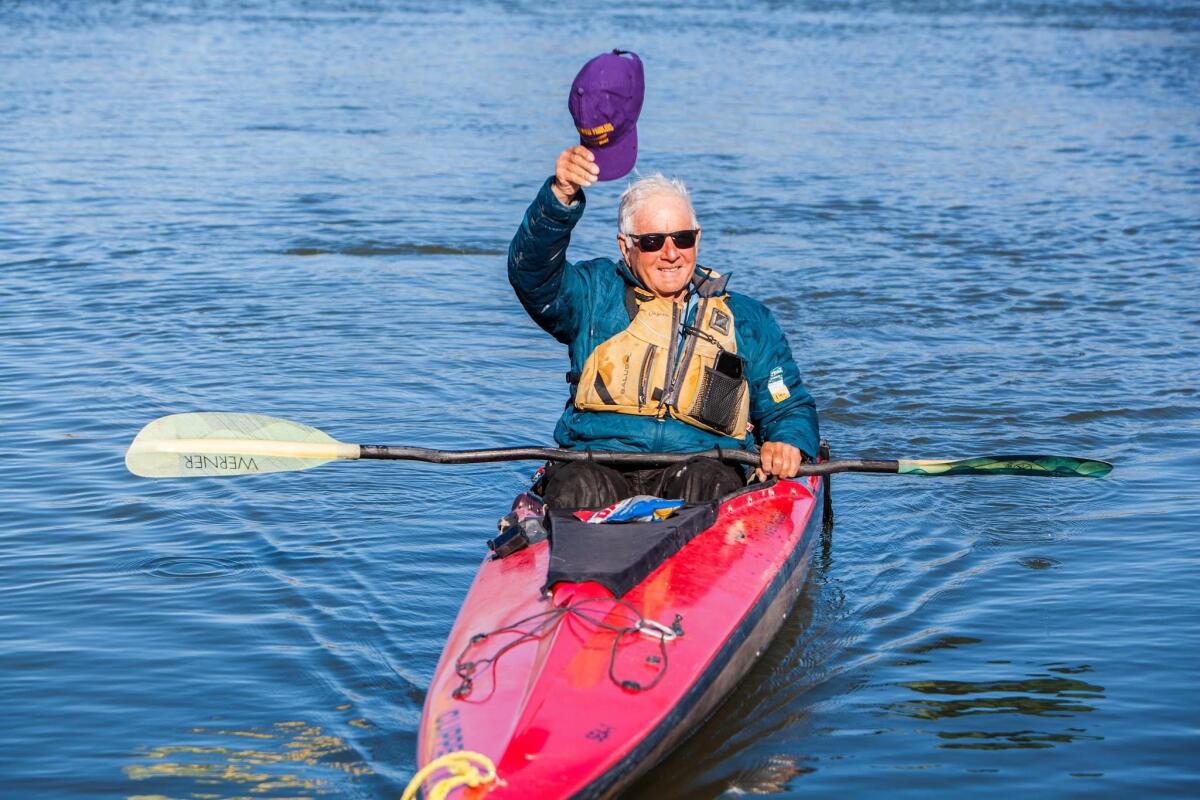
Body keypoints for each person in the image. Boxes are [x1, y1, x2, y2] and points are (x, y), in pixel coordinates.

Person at [507, 146, 820, 509]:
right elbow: (531, 273)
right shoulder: (591, 294)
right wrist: (560, 197)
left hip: (702, 466)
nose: (671, 253)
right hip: (596, 462)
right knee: (577, 487)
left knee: (709, 484)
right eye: (653, 242)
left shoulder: (748, 320)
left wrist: (788, 442)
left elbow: (788, 406)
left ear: (697, 239)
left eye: (682, 238)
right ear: (626, 248)